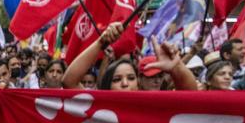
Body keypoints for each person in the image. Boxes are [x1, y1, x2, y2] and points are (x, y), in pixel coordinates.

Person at [63, 23, 198, 91]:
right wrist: (101, 42)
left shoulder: (155, 105)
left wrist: (176, 67)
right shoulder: (100, 108)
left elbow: (191, 94)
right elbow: (69, 82)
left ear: (138, 82)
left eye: (131, 78)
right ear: (107, 85)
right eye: (116, 79)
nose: (125, 84)